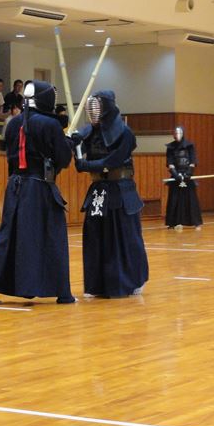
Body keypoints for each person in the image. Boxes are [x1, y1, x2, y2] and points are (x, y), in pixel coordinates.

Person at [0, 80, 75, 305]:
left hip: (15, 185)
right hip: (39, 187)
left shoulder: (13, 123)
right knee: (54, 235)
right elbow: (63, 159)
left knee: (8, 234)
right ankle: (63, 292)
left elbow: (10, 157)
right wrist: (68, 144)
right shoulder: (50, 124)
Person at [71, 90, 148, 298]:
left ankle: (132, 279)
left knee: (125, 236)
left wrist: (86, 165)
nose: (93, 113)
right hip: (98, 190)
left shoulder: (125, 133)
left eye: (97, 107)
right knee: (96, 237)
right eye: (91, 109)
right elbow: (81, 157)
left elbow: (113, 161)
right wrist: (75, 145)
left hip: (121, 190)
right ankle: (97, 284)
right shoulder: (88, 132)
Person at [165, 126, 203, 230]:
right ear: (173, 135)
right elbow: (170, 163)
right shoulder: (170, 147)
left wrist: (188, 174)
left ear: (182, 134)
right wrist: (176, 175)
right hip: (176, 177)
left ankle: (196, 222)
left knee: (191, 199)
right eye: (175, 133)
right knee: (174, 199)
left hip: (188, 176)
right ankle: (174, 222)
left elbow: (193, 161)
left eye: (179, 133)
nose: (177, 135)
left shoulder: (190, 146)